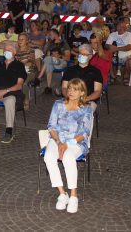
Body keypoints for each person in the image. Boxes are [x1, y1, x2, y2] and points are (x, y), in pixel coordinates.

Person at [43, 78, 93, 214]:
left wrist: (68, 144)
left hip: (75, 142)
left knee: (68, 157)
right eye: (69, 88)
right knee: (48, 157)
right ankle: (62, 194)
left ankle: (73, 196)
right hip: (57, 139)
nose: (71, 91)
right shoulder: (58, 104)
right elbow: (51, 126)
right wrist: (59, 142)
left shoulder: (86, 109)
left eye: (75, 89)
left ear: (82, 92)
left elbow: (85, 132)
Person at [0, 43, 27, 143]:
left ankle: (9, 130)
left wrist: (5, 91)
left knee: (10, 100)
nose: (6, 51)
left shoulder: (19, 65)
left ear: (15, 52)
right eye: (5, 49)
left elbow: (19, 85)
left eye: (9, 49)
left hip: (10, 93)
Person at [106, 18, 131, 86]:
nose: (121, 28)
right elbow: (107, 45)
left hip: (127, 56)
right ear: (116, 26)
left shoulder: (130, 35)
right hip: (115, 56)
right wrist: (110, 47)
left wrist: (116, 48)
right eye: (120, 26)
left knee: (130, 62)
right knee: (106, 57)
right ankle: (112, 76)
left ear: (126, 27)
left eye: (123, 26)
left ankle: (126, 76)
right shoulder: (113, 34)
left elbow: (129, 47)